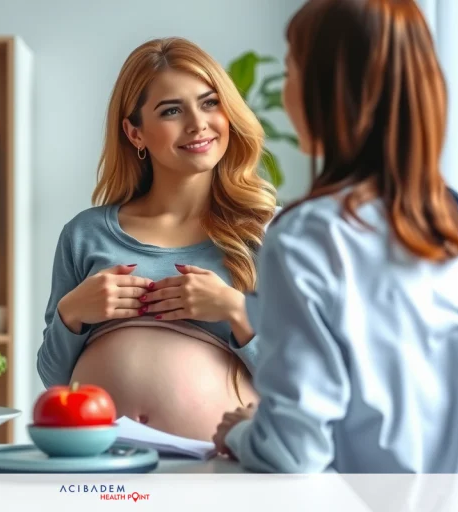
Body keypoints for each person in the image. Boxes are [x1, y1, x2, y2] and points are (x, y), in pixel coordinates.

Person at [212, 0, 458, 473]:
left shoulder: (306, 237)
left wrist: (240, 433)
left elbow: (294, 452)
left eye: (291, 69)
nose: (285, 93)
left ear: (330, 89)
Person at [36, 37, 277, 441]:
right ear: (135, 133)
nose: (198, 123)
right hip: (102, 466)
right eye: (171, 110)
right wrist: (72, 313)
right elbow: (55, 380)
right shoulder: (84, 234)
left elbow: (300, 383)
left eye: (210, 102)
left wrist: (236, 311)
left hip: (215, 473)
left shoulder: (265, 233)